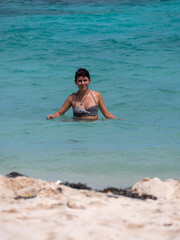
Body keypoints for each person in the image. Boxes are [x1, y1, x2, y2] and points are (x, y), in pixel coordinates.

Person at [47, 68, 116, 120]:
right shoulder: (72, 98)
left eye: (85, 80)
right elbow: (60, 112)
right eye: (80, 81)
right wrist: (53, 116)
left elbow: (107, 114)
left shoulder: (97, 96)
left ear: (89, 81)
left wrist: (119, 121)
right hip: (77, 129)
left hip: (94, 129)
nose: (83, 83)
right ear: (75, 82)